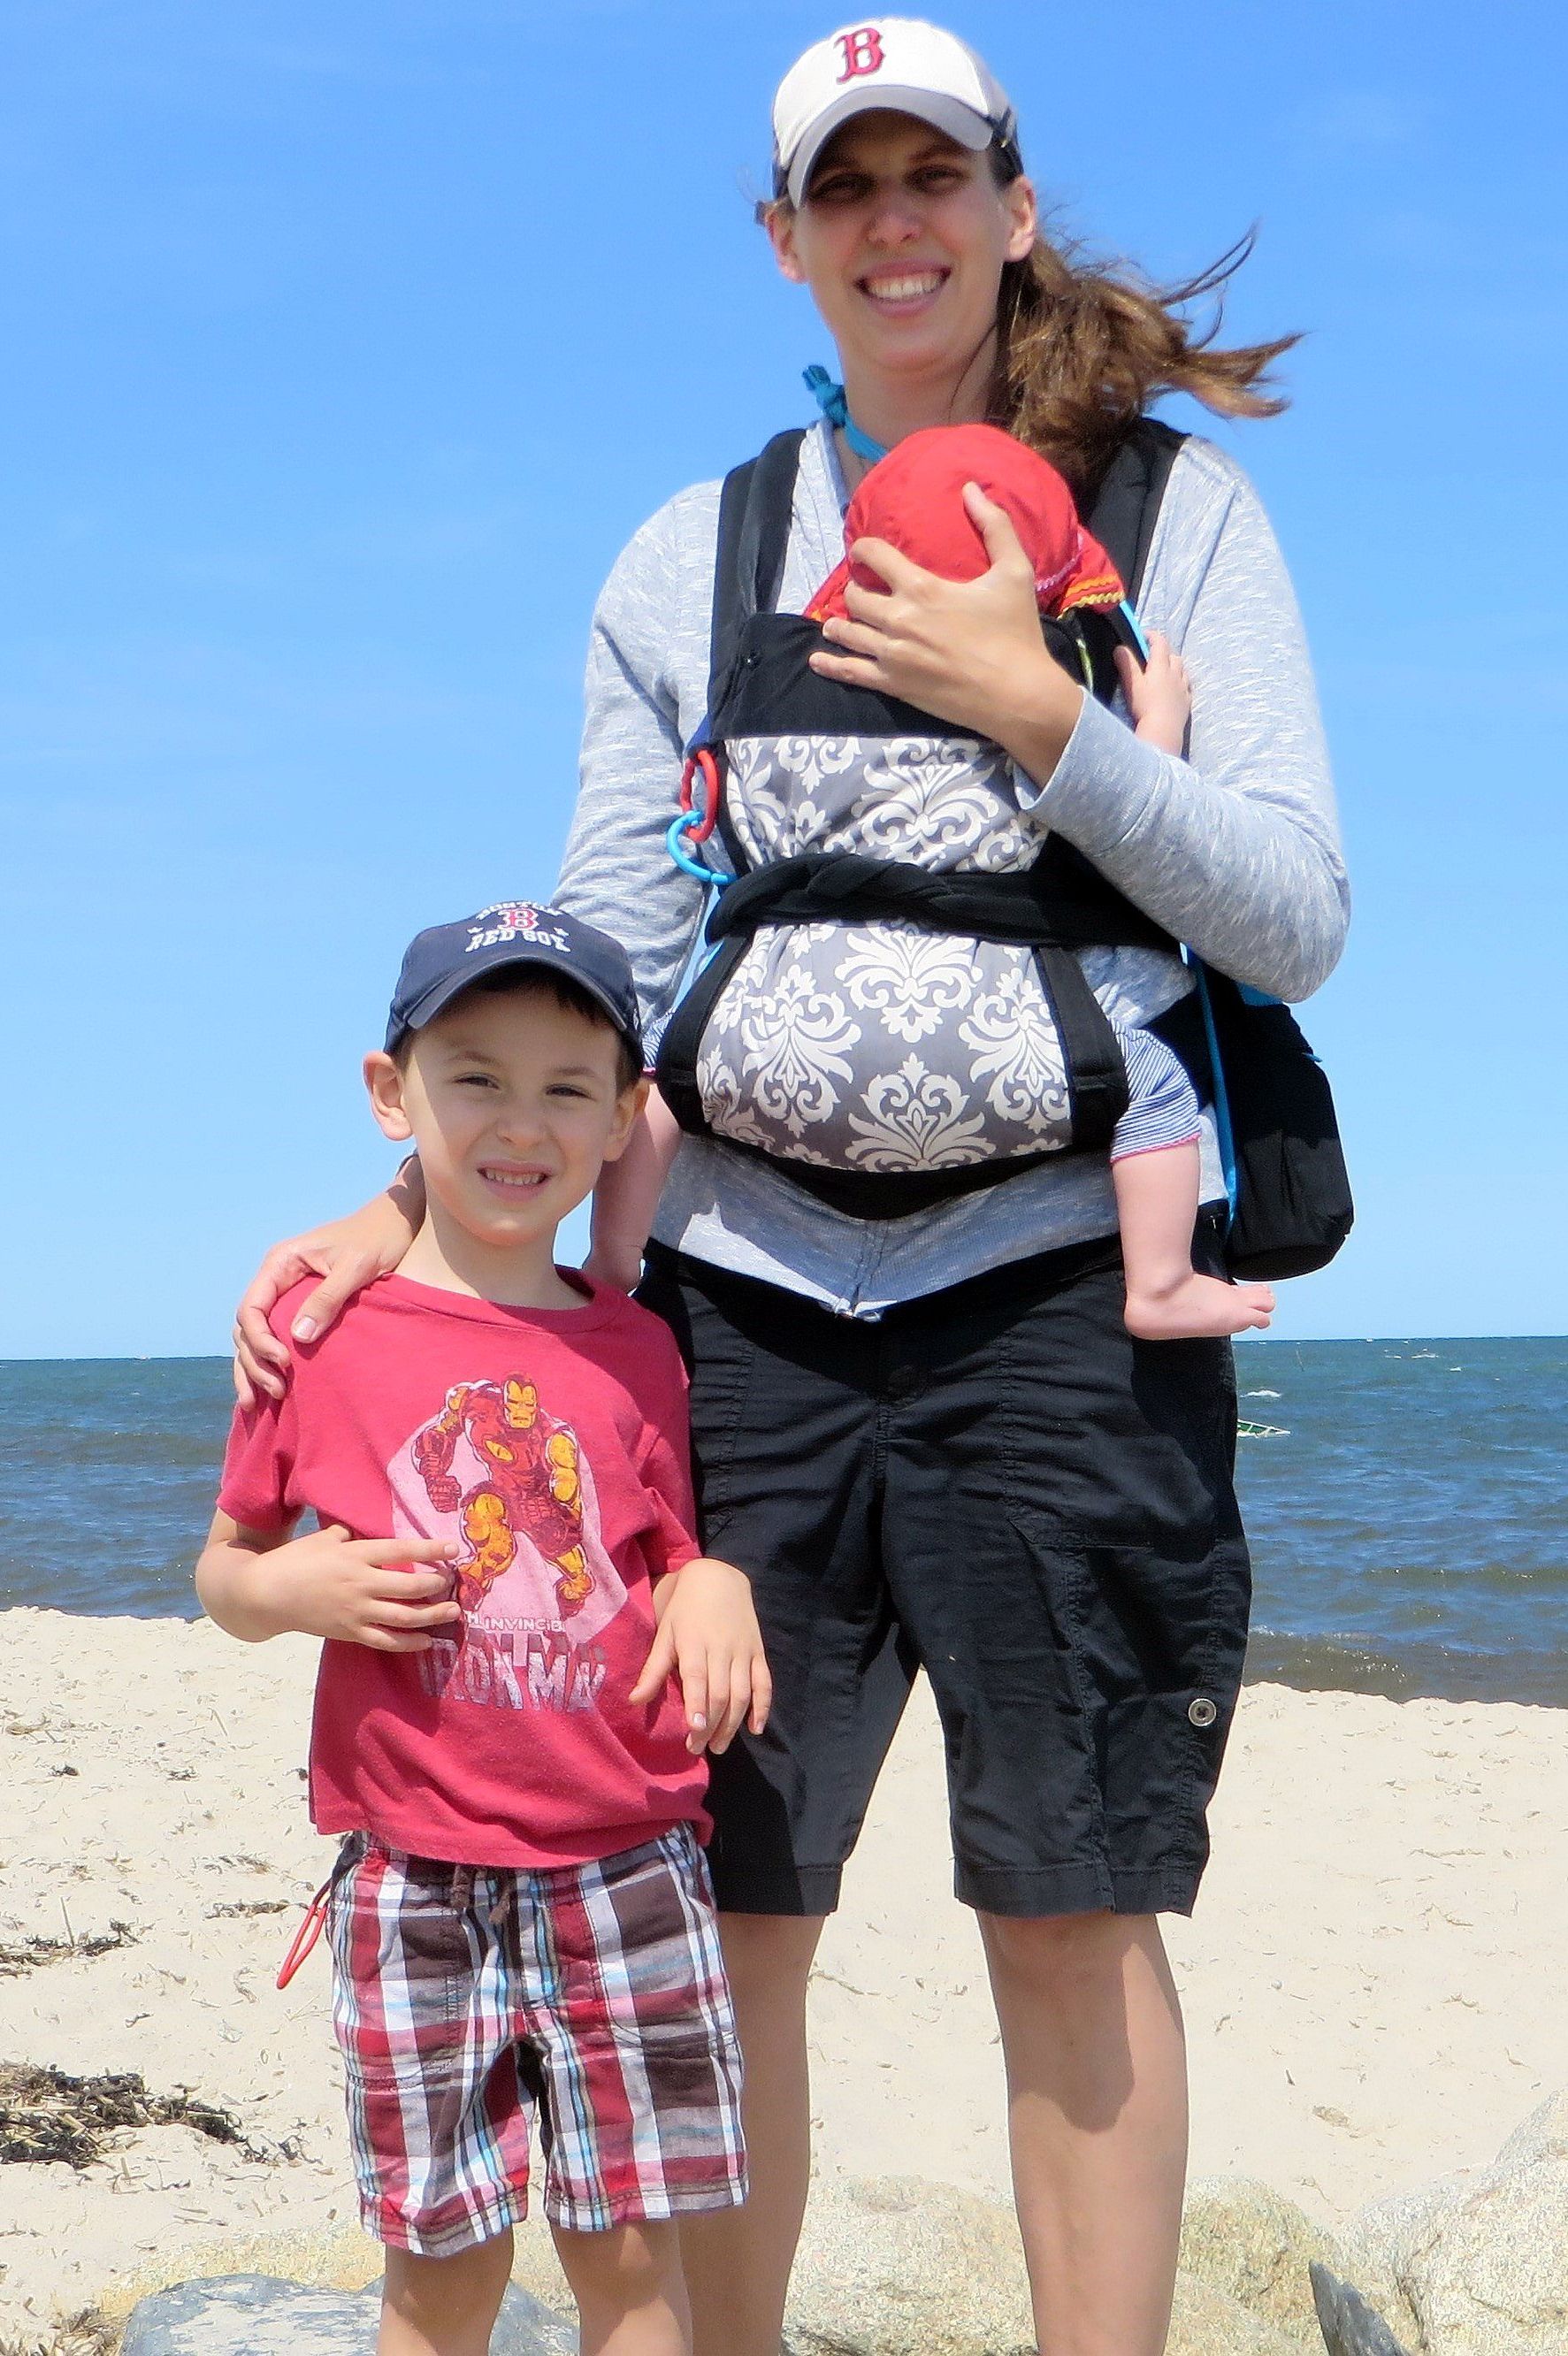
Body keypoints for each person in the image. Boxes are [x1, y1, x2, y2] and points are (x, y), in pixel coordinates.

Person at [233, 20, 1349, 2356]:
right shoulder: (695, 552)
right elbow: (603, 960)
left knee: (1071, 1904)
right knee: (730, 1900)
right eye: (841, 188)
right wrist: (398, 1216)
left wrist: (1038, 712)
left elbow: (1291, 912)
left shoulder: (1173, 522)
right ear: (782, 243)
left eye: (930, 174)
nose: (889, 221)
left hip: (1059, 1296)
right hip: (730, 1317)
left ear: (1010, 209)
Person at [200, 903, 770, 2356]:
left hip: (629, 1867)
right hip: (412, 1879)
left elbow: (666, 1549)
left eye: (568, 1088)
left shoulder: (635, 1345)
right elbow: (226, 1571)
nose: (521, 1124)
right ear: (391, 1095)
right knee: (439, 2268)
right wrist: (292, 1592)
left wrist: (710, 1580)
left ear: (624, 1120)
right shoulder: (318, 1332)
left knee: (632, 2259)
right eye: (477, 1078)